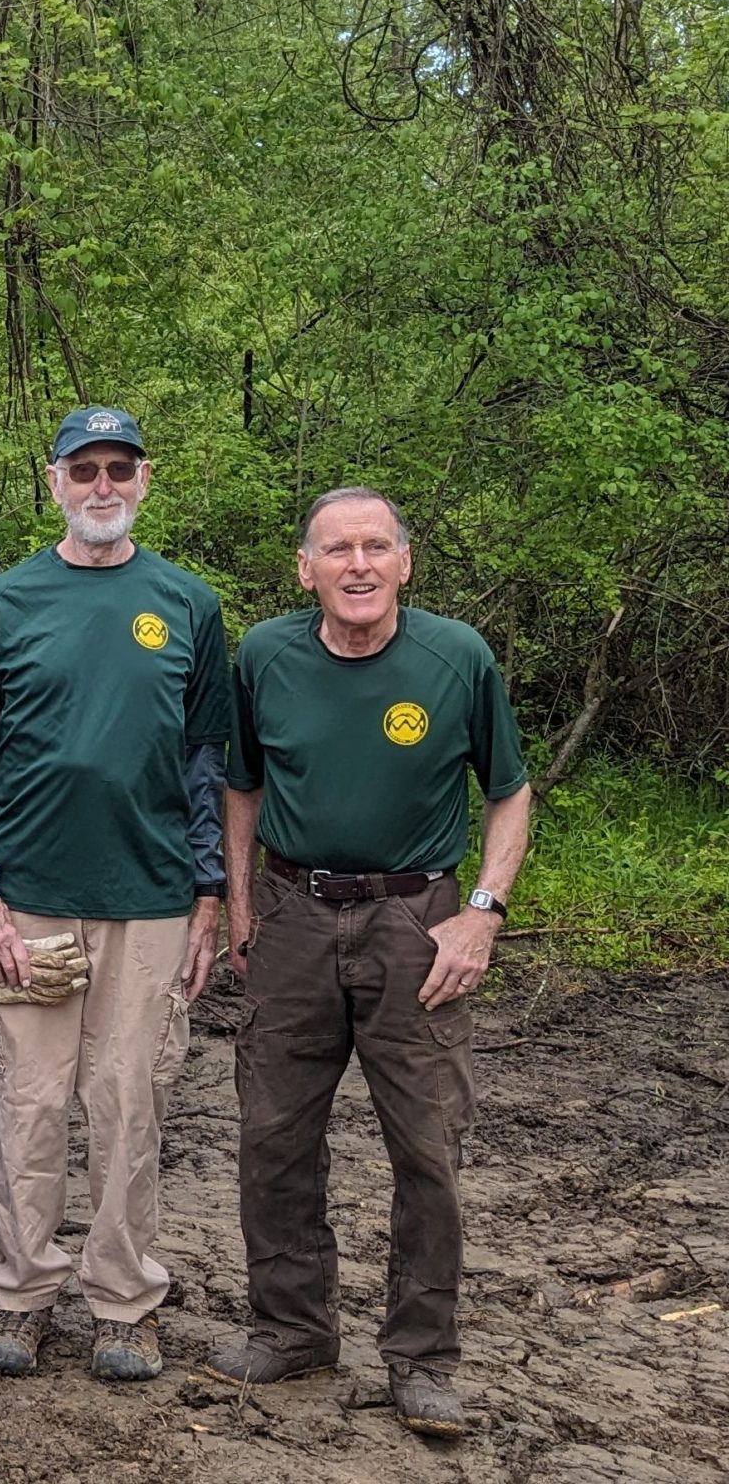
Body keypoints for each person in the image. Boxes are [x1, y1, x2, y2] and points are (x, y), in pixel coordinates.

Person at [208, 488, 530, 1439]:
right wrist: (238, 900)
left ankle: (423, 1357)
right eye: (336, 550)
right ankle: (293, 1327)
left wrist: (482, 913)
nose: (358, 565)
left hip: (417, 921)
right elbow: (242, 786)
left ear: (404, 563)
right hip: (293, 916)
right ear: (305, 569)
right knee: (273, 1137)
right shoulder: (265, 655)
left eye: (375, 547)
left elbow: (508, 795)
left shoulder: (455, 658)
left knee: (428, 1148)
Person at [0, 406, 231, 1383]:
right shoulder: (3, 601)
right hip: (25, 903)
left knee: (129, 1100)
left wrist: (209, 895)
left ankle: (122, 1303)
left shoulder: (187, 603)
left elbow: (204, 769)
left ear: (145, 478)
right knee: (27, 1104)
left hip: (148, 903)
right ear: (54, 479)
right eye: (83, 469)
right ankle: (18, 1294)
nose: (101, 485)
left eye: (118, 468)